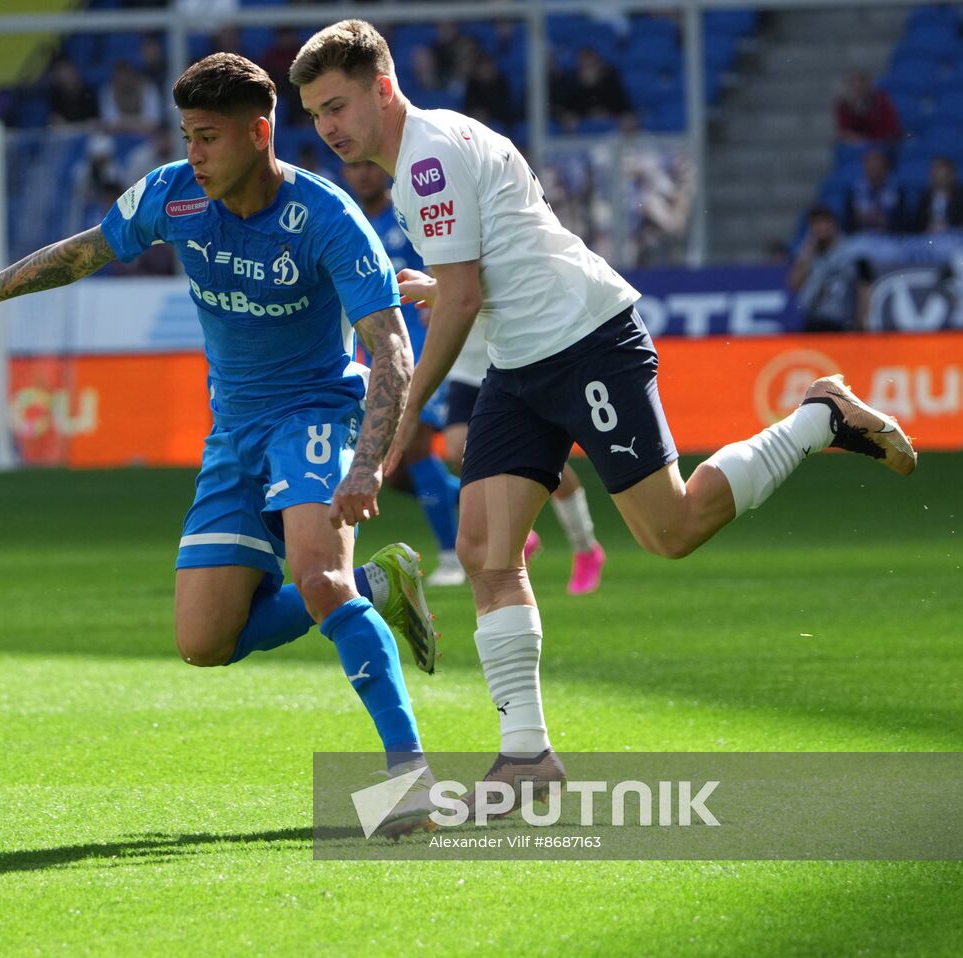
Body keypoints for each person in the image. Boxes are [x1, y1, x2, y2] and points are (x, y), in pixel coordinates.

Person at [291, 19, 917, 812]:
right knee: (486, 548)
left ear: (383, 88)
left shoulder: (427, 159)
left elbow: (465, 299)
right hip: (520, 362)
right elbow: (489, 259)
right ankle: (528, 759)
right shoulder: (425, 154)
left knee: (672, 529)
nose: (328, 128)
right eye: (314, 113)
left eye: (337, 105)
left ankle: (818, 417)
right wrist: (436, 291)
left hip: (586, 342)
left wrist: (398, 423)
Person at [0, 53, 440, 836]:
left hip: (314, 413)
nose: (194, 154)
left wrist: (368, 463)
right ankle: (380, 587)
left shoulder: (327, 219)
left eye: (208, 137)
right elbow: (88, 250)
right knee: (205, 642)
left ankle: (409, 779)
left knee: (316, 577)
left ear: (260, 131)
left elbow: (393, 349)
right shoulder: (173, 195)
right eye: (187, 135)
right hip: (233, 431)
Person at [342, 159, 463, 587]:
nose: (361, 175)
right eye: (352, 169)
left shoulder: (407, 218)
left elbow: (451, 270)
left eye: (367, 167)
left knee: (414, 452)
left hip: (425, 350)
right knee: (396, 472)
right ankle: (488, 509)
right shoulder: (350, 221)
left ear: (383, 171)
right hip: (379, 355)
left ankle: (453, 556)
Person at [442, 322, 607, 596]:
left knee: (547, 461)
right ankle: (521, 535)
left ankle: (586, 548)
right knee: (459, 449)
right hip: (467, 368)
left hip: (516, 363)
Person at [788, 205, 870, 333]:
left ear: (834, 224)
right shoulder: (809, 254)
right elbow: (794, 285)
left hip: (842, 322)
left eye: (824, 222)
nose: (820, 228)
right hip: (814, 320)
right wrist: (805, 257)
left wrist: (861, 320)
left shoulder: (851, 253)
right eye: (815, 224)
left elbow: (863, 287)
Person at [844, 148, 906, 234]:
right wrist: (860, 219)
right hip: (861, 236)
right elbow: (848, 221)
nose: (874, 171)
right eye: (870, 168)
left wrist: (887, 220)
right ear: (864, 168)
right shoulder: (854, 190)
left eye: (877, 167)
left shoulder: (897, 190)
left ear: (885, 168)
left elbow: (904, 220)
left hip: (890, 236)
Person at [834, 69, 902, 148]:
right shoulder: (843, 104)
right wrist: (852, 108)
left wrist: (862, 111)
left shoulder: (880, 99)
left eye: (861, 81)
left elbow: (888, 128)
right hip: (856, 145)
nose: (857, 85)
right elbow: (845, 130)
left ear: (868, 83)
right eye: (852, 82)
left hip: (882, 144)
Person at [911, 156, 963, 235]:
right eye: (934, 174)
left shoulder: (960, 197)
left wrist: (949, 227)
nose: (938, 178)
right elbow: (916, 225)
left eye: (943, 176)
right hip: (928, 239)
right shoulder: (925, 197)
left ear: (952, 175)